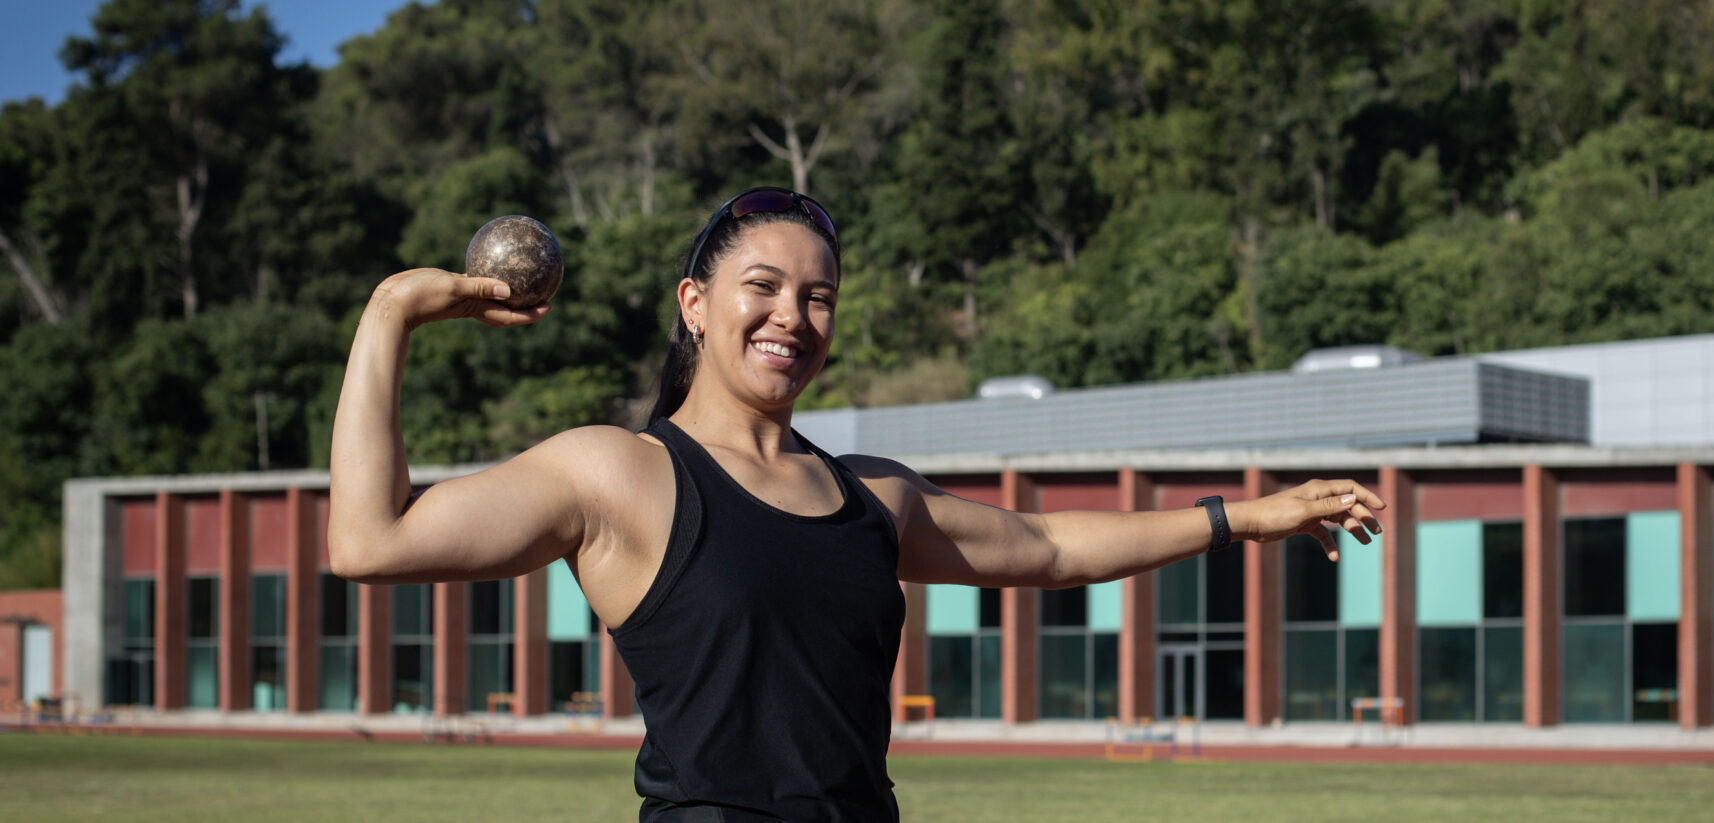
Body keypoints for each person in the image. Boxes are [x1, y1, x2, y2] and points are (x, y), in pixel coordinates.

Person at [327, 187, 1387, 821]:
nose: (794, 313)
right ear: (695, 306)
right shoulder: (618, 474)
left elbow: (1054, 544)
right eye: (764, 286)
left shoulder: (870, 493)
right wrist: (392, 312)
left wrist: (1247, 516)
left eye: (818, 294)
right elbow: (368, 540)